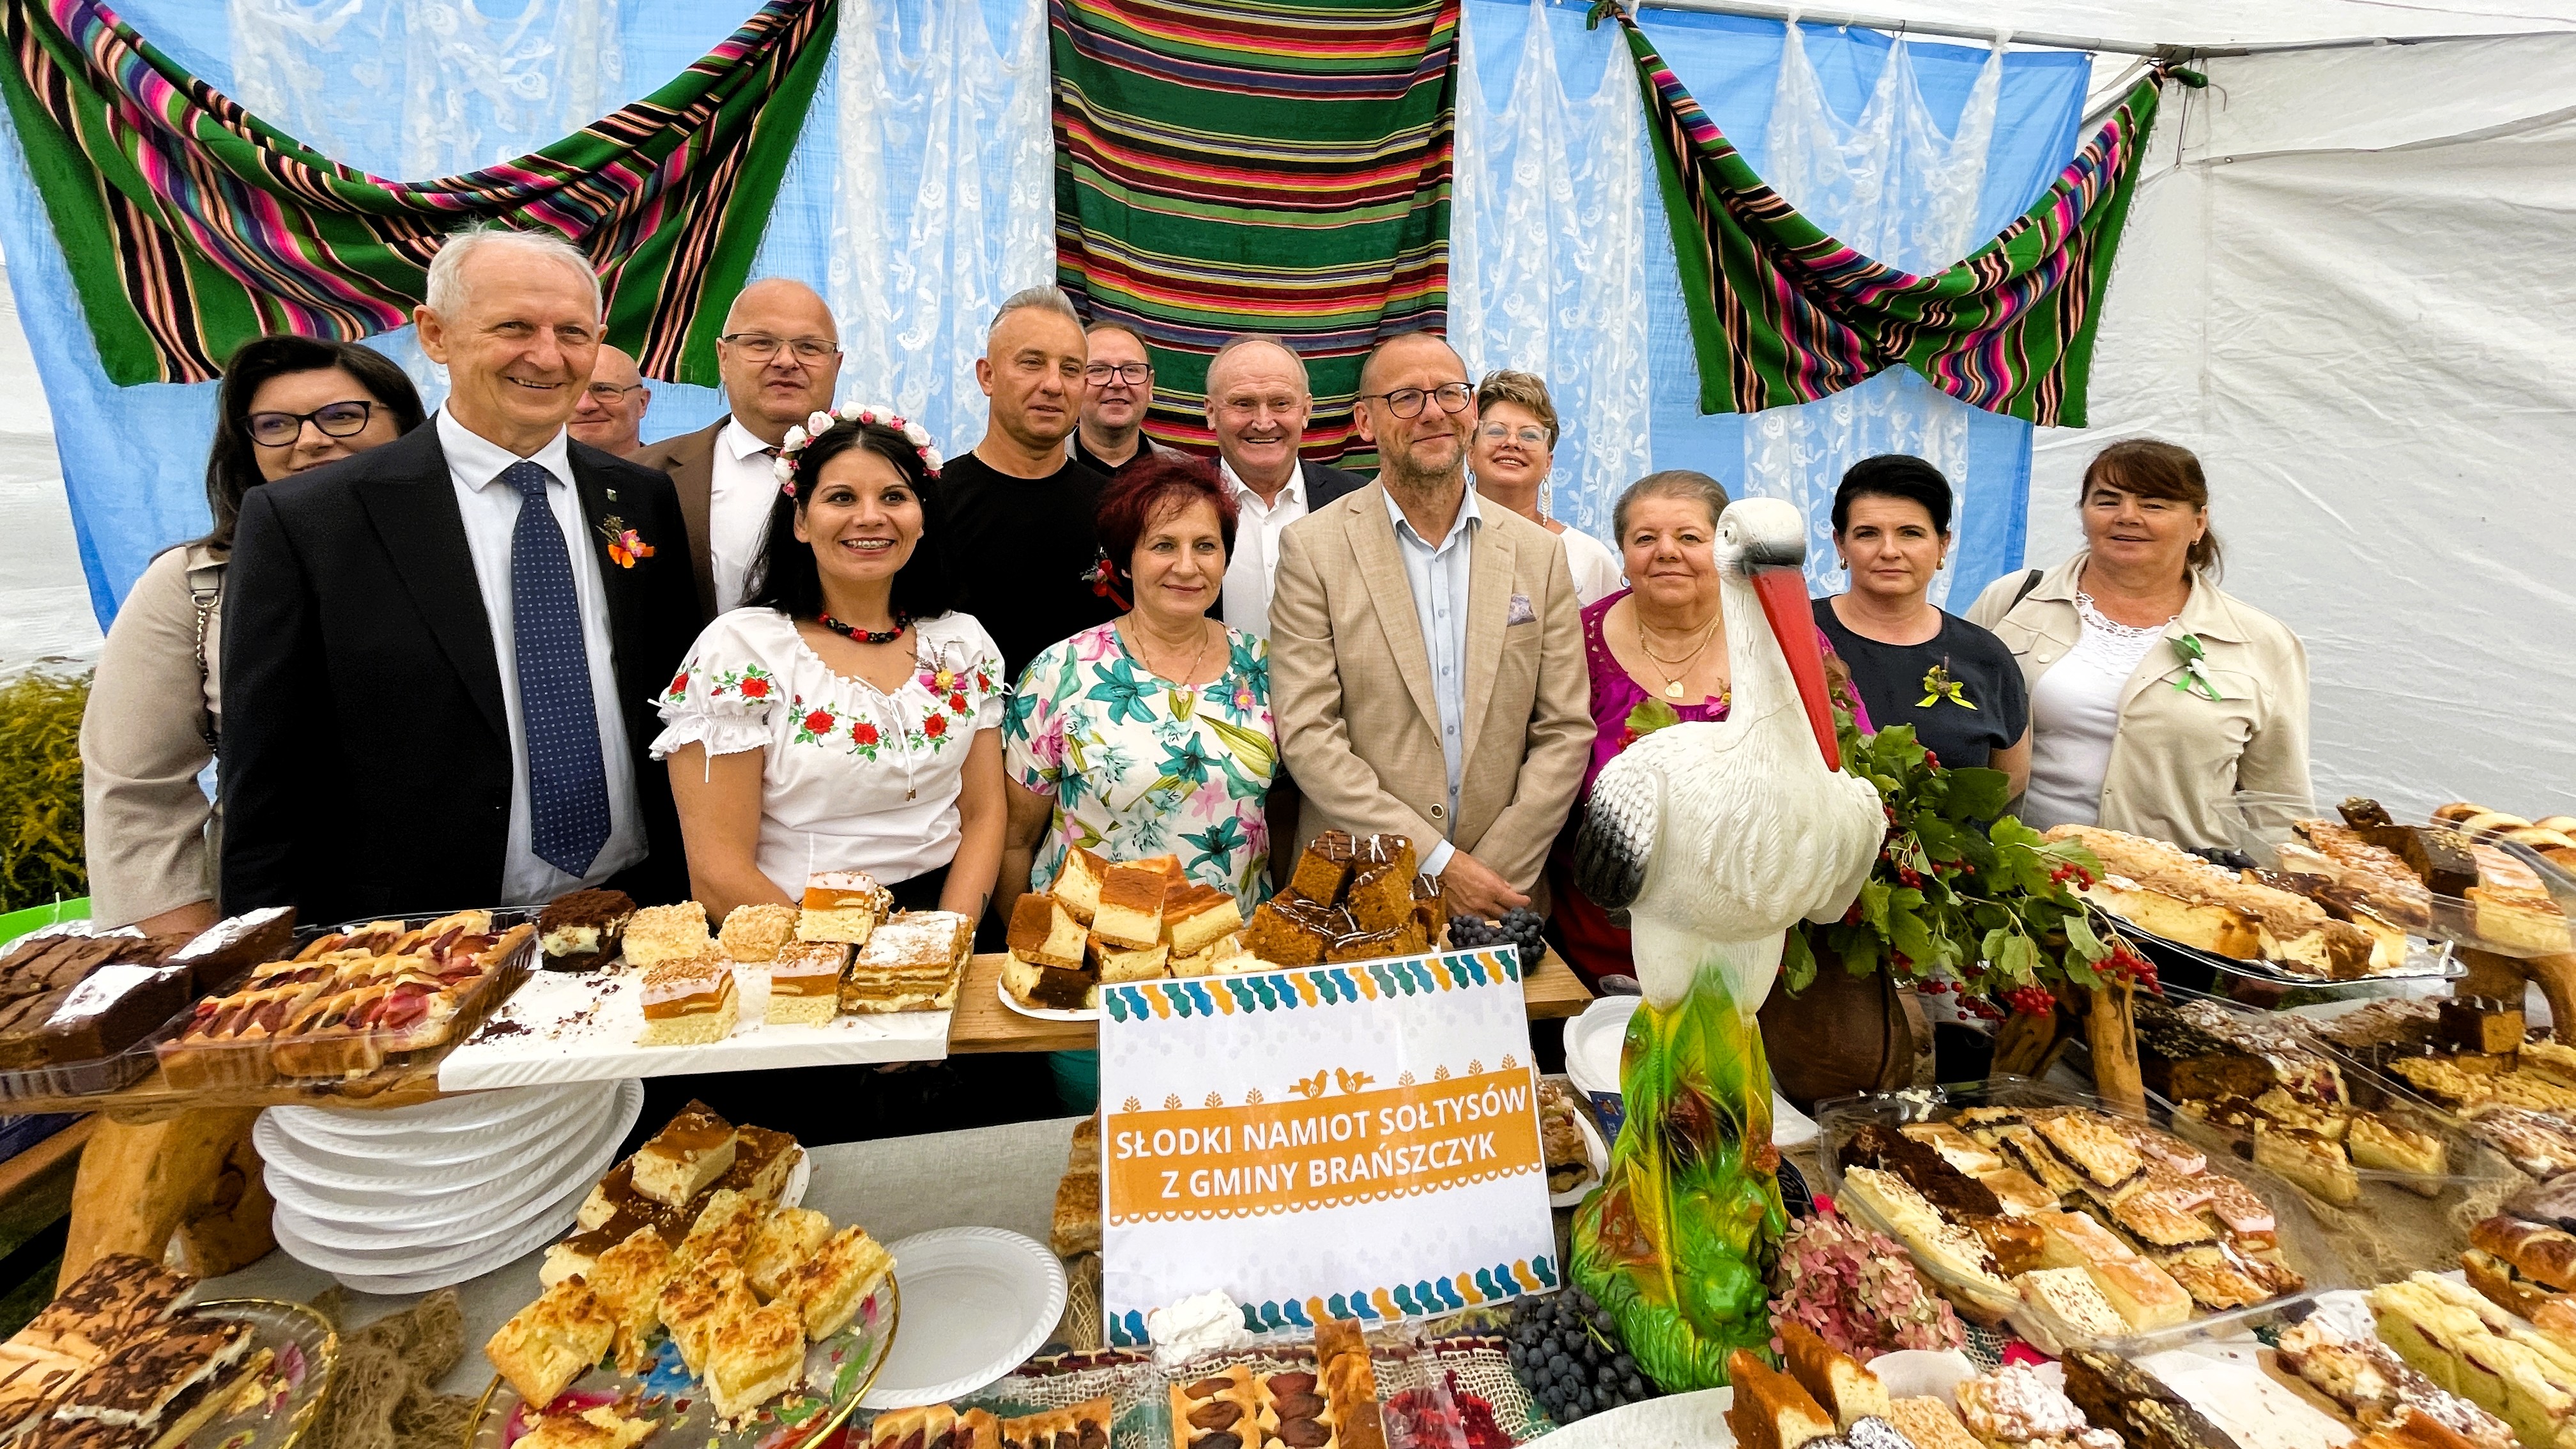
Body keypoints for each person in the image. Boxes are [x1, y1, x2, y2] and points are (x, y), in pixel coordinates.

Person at [219, 225, 703, 921]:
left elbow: (671, 699)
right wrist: (263, 950)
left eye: (573, 332)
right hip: (420, 934)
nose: (547, 355)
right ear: (435, 335)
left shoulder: (639, 498)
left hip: (638, 904)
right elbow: (266, 771)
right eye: (514, 327)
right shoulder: (310, 520)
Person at [82, 336, 424, 933]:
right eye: (275, 425)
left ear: (408, 427)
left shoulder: (477, 554)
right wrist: (192, 946)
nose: (310, 440)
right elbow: (136, 789)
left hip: (487, 903)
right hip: (289, 915)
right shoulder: (193, 583)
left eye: (343, 415)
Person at [1269, 331, 1592, 918]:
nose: (1433, 412)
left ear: (1471, 410)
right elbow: (1310, 734)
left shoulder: (1539, 554)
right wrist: (1439, 864)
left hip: (1503, 897)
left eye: (1450, 393)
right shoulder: (1312, 549)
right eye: (1406, 398)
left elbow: (1565, 730)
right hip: (1357, 896)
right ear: (1365, 422)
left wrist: (1489, 876)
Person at [654, 409, 1004, 924]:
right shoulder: (741, 651)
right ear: (800, 520)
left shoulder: (962, 642)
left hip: (943, 919)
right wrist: (830, 958)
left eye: (894, 497)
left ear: (923, 517)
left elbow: (984, 814)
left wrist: (948, 937)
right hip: (791, 927)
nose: (870, 517)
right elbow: (718, 871)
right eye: (842, 498)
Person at [1548, 470, 1872, 988]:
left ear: (1723, 551)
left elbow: (1845, 762)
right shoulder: (1573, 642)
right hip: (1593, 943)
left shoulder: (1787, 641)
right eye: (1645, 538)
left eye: (1689, 537)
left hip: (1750, 952)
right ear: (1623, 556)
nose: (1667, 552)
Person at [1966, 438, 2311, 847]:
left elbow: (2279, 807)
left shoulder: (2261, 642)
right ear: (2083, 513)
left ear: (2199, 522)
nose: (2127, 517)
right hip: (2014, 871)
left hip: (2174, 882)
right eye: (2107, 501)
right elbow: (1950, 724)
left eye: (2154, 505)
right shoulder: (2014, 600)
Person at [1002, 455, 1275, 921]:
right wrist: (1033, 943)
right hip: (1092, 947)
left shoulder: (1264, 668)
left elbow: (1283, 813)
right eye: (1163, 545)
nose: (1186, 567)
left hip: (1232, 947)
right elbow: (1015, 840)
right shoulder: (1061, 673)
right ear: (1126, 560)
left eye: (1205, 546)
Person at [1812, 455, 2030, 797]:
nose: (1889, 551)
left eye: (1910, 534)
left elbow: (2008, 782)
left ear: (1943, 544)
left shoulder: (1985, 656)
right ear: (1841, 544)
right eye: (1868, 534)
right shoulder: (1794, 635)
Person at [634, 279, 841, 618]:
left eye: (809, 347)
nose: (786, 361)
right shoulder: (644, 476)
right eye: (761, 343)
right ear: (723, 357)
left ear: (837, 364)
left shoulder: (893, 476)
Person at [941, 286, 1119, 682]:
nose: (1053, 385)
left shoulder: (1116, 507)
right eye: (1032, 363)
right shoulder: (928, 503)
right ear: (987, 376)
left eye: (1070, 369)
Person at [1204, 334, 1363, 637]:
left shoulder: (1358, 502)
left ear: (1305, 411)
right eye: (1243, 404)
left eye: (1280, 403)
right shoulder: (1173, 502)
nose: (1264, 422)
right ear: (1211, 412)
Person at [1469, 370, 1622, 606]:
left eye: (1529, 435)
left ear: (1548, 463)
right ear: (1470, 453)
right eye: (1496, 431)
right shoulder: (1444, 545)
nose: (1512, 442)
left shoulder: (1588, 558)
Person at [1071, 321, 1169, 479]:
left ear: (1150, 385)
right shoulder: (1036, 471)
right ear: (1074, 382)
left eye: (1131, 370)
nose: (1117, 382)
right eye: (1099, 370)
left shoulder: (1187, 475)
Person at [567, 342, 651, 459]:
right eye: (569, 391)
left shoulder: (673, 470)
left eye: (603, 389)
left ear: (642, 403)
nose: (584, 406)